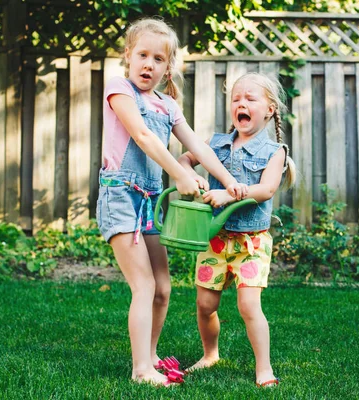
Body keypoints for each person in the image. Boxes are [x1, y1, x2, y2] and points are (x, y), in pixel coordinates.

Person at [96, 17, 248, 387]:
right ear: (128, 56)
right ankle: (140, 370)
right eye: (142, 55)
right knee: (144, 286)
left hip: (150, 201)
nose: (149, 64)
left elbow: (197, 146)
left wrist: (229, 182)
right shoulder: (119, 88)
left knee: (163, 288)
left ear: (168, 67)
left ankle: (150, 355)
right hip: (120, 195)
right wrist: (179, 175)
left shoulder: (167, 105)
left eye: (158, 59)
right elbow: (144, 137)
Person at [178, 72, 297, 387]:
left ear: (270, 110)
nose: (241, 104)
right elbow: (184, 159)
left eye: (250, 99)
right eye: (236, 99)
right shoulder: (215, 143)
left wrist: (228, 193)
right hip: (214, 239)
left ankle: (264, 368)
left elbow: (266, 190)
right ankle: (209, 354)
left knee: (248, 306)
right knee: (205, 305)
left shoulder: (275, 152)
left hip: (251, 244)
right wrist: (191, 176)